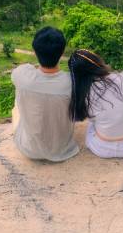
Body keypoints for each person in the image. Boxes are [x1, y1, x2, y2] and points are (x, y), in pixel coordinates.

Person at [11, 27, 79, 162]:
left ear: (35, 52)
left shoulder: (21, 75)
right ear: (62, 52)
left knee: (16, 107)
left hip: (29, 149)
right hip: (63, 149)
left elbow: (27, 67)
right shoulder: (72, 82)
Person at [68, 49, 123, 158]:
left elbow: (91, 118)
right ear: (97, 61)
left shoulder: (86, 94)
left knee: (92, 123)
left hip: (102, 149)